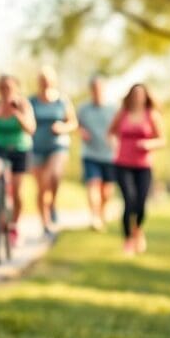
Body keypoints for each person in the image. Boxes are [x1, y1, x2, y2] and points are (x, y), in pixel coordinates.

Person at [0, 74, 36, 246]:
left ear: (16, 88)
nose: (4, 91)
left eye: (8, 88)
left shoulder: (23, 104)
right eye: (1, 88)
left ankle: (14, 226)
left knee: (17, 192)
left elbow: (31, 129)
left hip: (20, 149)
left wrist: (17, 114)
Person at [109, 84, 165, 256]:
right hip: (123, 163)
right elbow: (111, 132)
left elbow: (162, 140)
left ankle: (138, 229)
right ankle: (128, 240)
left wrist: (149, 144)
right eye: (135, 94)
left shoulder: (152, 115)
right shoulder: (123, 113)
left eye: (141, 94)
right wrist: (114, 146)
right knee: (129, 200)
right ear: (130, 96)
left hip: (143, 166)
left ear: (146, 97)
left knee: (141, 204)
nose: (138, 97)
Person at [29, 66, 78, 239]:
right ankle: (45, 223)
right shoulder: (32, 101)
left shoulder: (62, 101)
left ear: (53, 81)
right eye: (42, 80)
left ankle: (53, 203)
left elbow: (73, 123)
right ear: (38, 82)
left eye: (48, 80)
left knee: (54, 175)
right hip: (36, 147)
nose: (45, 83)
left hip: (58, 145)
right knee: (42, 187)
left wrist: (62, 127)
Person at [77, 74, 117, 231]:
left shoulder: (113, 109)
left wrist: (115, 139)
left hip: (110, 155)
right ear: (91, 90)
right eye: (94, 88)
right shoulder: (83, 109)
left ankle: (102, 213)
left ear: (104, 89)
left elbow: (120, 128)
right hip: (90, 153)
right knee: (93, 184)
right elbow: (76, 124)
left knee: (107, 192)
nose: (97, 91)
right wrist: (81, 131)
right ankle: (94, 217)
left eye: (99, 88)